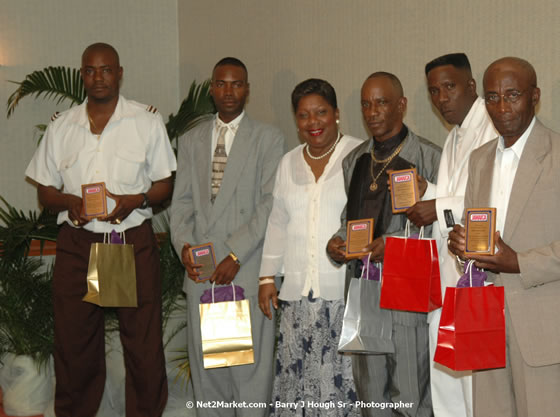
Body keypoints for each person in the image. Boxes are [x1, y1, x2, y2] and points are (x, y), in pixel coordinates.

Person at [447, 57, 560, 417]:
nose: (502, 107)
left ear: (534, 96)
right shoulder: (479, 159)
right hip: (485, 318)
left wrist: (520, 262)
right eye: (492, 97)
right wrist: (461, 247)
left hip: (545, 323)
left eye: (513, 95)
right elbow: (479, 231)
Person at [25, 42, 176, 416]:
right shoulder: (63, 125)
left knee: (141, 343)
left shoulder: (146, 121)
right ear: (81, 76)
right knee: (75, 342)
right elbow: (45, 189)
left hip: (127, 242)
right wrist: (69, 204)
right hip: (78, 243)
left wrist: (137, 199)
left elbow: (164, 184)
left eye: (106, 70)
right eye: (91, 71)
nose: (99, 77)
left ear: (119, 73)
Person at [170, 57, 285, 416]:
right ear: (211, 88)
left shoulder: (268, 138)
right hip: (205, 276)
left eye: (237, 84)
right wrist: (185, 247)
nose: (229, 91)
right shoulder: (191, 140)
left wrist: (234, 255)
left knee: (249, 378)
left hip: (244, 273)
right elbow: (182, 203)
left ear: (247, 89)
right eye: (222, 83)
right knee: (210, 380)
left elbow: (270, 204)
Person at [327, 72, 441, 417]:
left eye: (382, 102)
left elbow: (444, 228)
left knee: (410, 397)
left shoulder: (431, 157)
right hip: (363, 289)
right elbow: (353, 217)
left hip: (408, 293)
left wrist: (390, 246)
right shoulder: (355, 160)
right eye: (366, 104)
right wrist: (337, 241)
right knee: (371, 397)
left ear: (401, 105)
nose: (372, 111)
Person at [258, 78, 361, 416]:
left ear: (336, 114)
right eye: (304, 116)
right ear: (296, 120)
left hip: (342, 296)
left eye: (321, 113)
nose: (313, 122)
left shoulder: (358, 155)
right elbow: (277, 223)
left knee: (340, 385)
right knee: (296, 383)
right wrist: (266, 278)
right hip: (296, 300)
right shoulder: (288, 162)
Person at [407, 53, 497, 417]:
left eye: (449, 87)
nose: (441, 99)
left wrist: (438, 203)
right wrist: (427, 190)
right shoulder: (455, 135)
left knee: (475, 387)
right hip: (446, 276)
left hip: (477, 278)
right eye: (434, 92)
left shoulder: (493, 129)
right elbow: (454, 191)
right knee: (447, 382)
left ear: (471, 86)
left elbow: (494, 197)